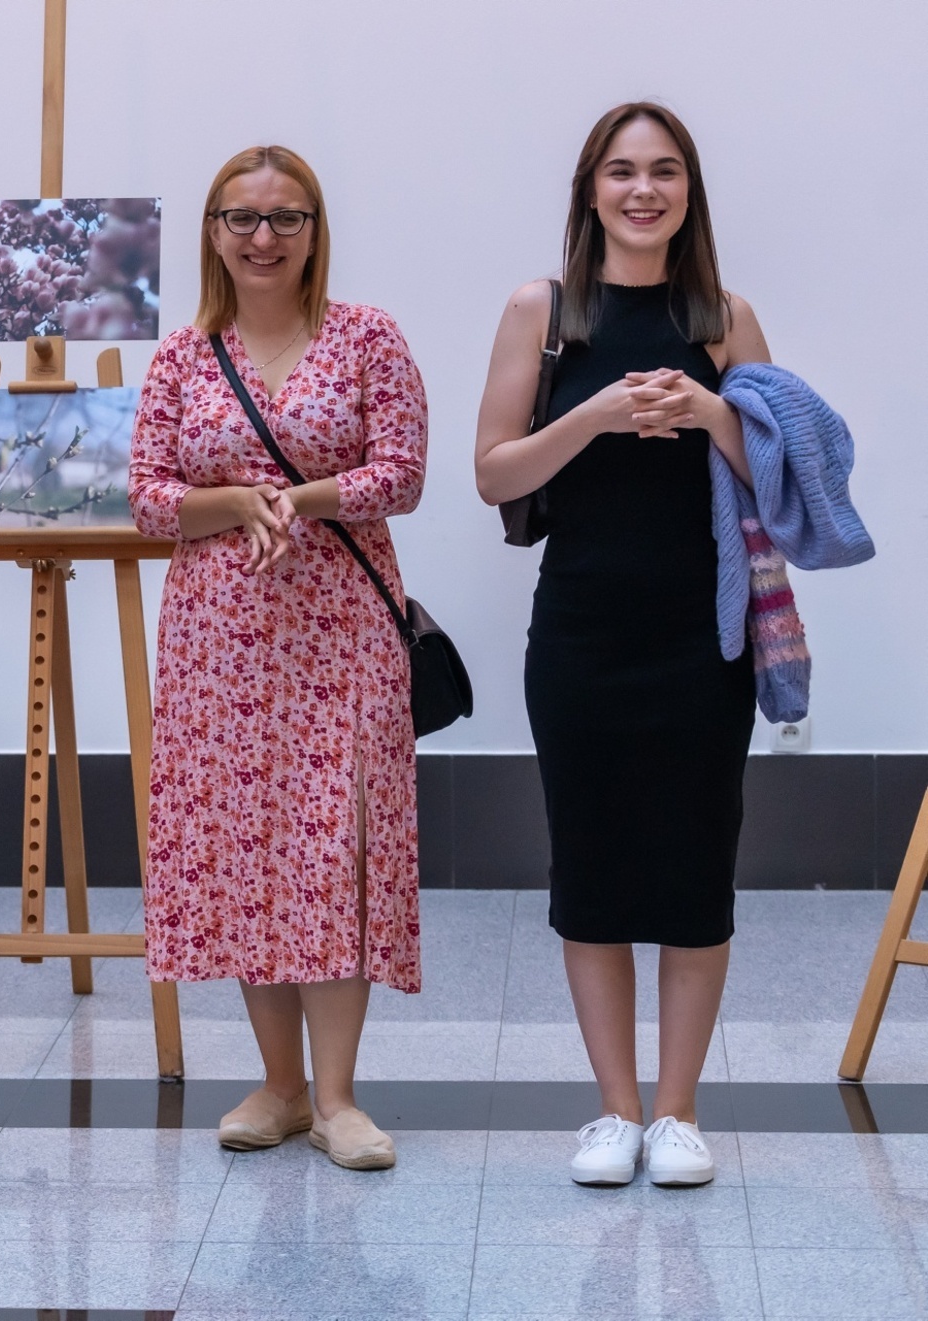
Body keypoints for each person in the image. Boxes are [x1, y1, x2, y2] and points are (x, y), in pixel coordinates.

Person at [474, 103, 773, 1188]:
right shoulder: (544, 312)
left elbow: (783, 477)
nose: (643, 190)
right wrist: (596, 416)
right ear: (590, 191)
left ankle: (678, 1113)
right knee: (591, 864)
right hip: (582, 634)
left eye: (664, 172)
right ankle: (614, 1110)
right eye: (621, 171)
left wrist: (711, 411)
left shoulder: (725, 319)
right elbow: (494, 472)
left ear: (689, 192)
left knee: (696, 868)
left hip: (707, 638)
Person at [130, 145, 429, 1171]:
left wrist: (297, 499)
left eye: (286, 218)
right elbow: (147, 499)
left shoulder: (367, 337)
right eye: (242, 218)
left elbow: (403, 473)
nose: (264, 237)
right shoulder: (183, 356)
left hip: (343, 632)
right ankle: (281, 1085)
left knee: (333, 844)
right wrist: (232, 503)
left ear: (314, 231)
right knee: (248, 850)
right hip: (219, 641)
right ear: (213, 233)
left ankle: (338, 1096)